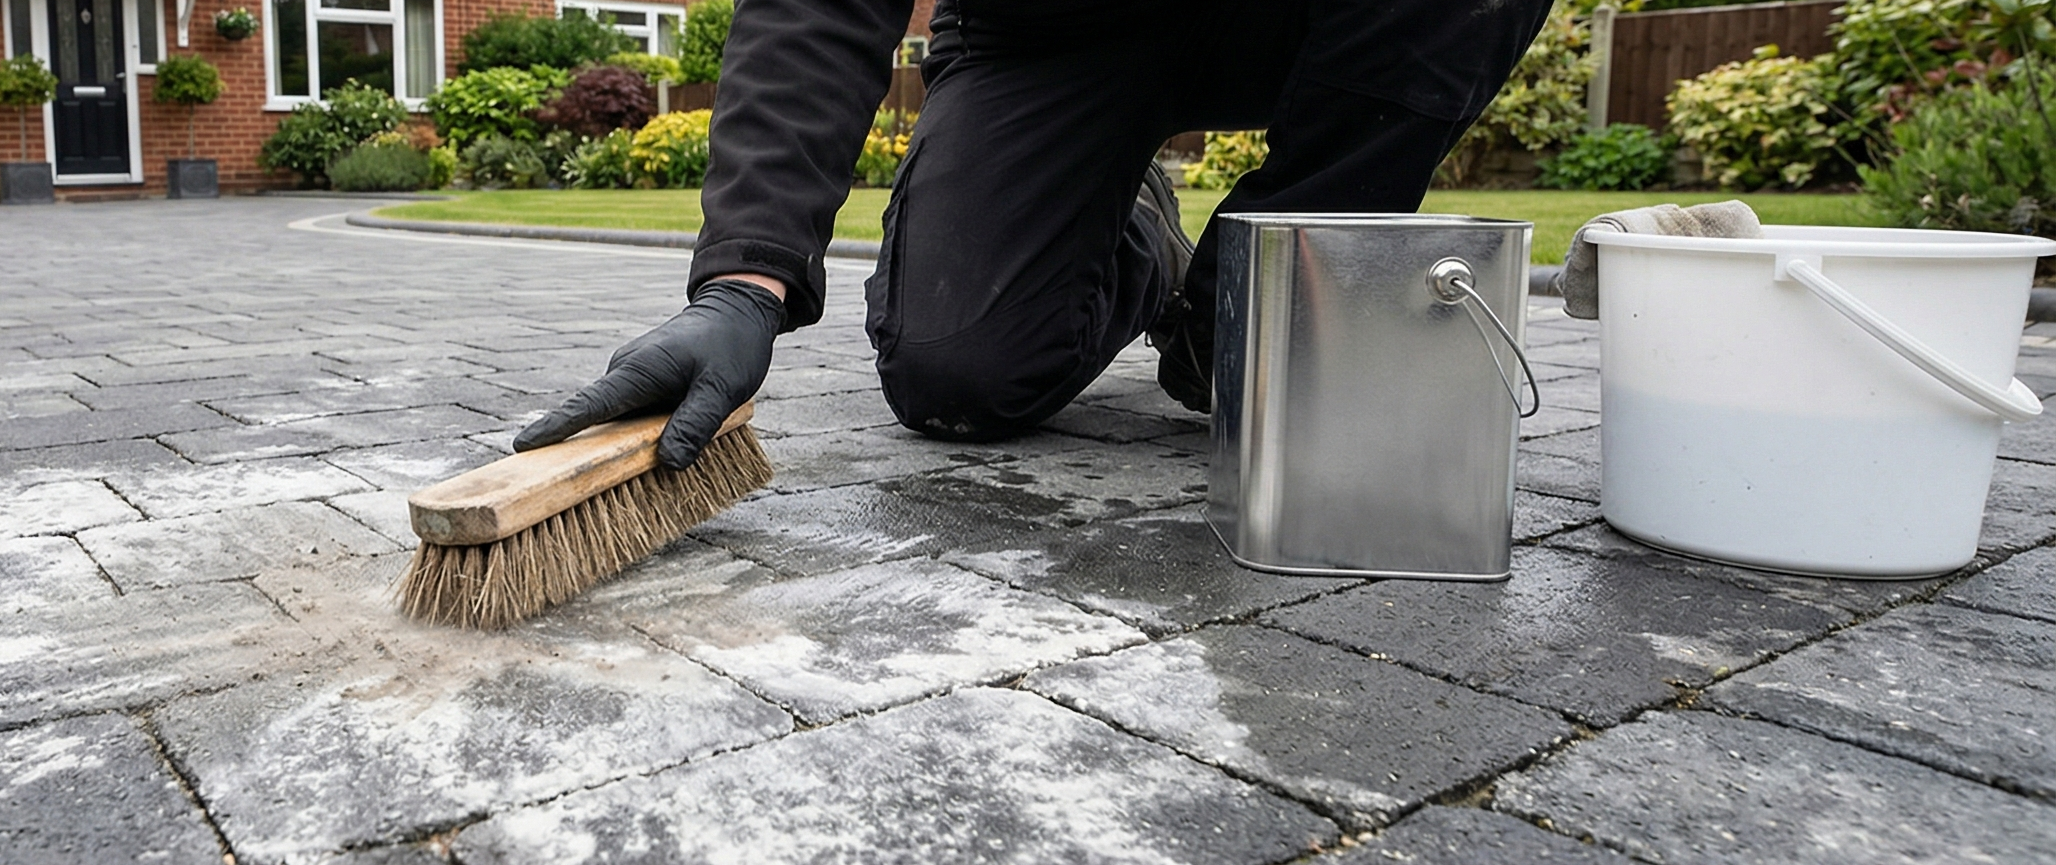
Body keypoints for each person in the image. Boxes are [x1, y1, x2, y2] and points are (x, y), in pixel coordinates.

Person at [516, 0, 1556, 469]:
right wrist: (743, 281)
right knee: (955, 375)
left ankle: (1247, 292)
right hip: (1045, 33)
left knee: (1229, 371)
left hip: (1292, 23)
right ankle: (1138, 229)